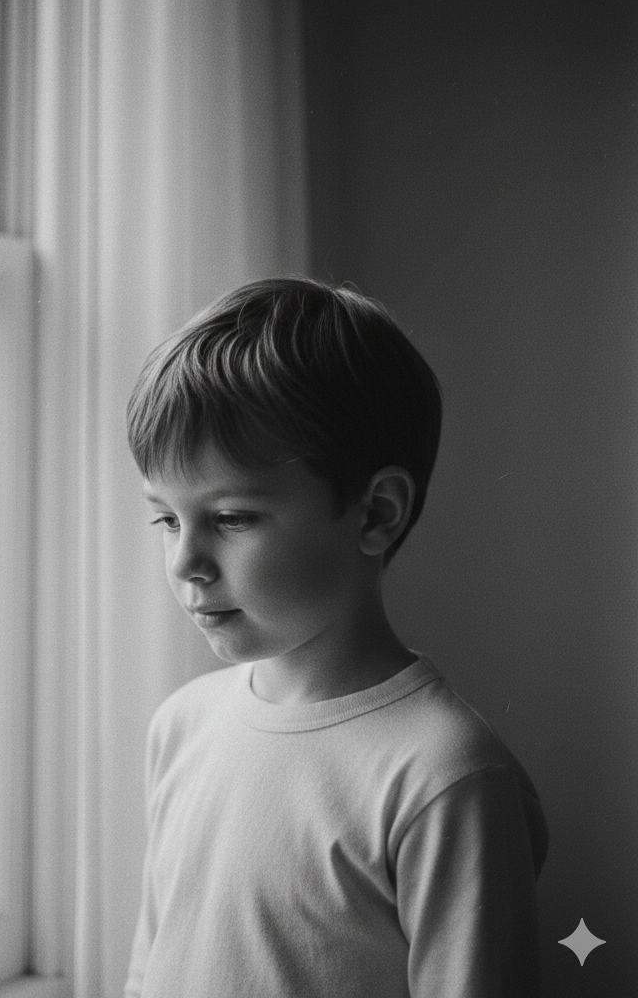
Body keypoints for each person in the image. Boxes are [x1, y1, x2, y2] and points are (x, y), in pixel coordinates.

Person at [123, 277, 548, 998]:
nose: (184, 563)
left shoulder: (444, 775)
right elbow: (152, 964)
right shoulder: (182, 725)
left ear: (376, 513)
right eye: (166, 519)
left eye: (231, 519)